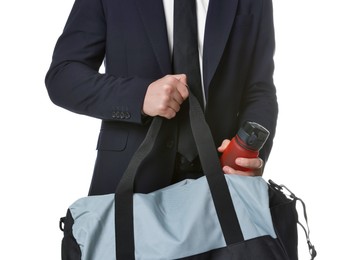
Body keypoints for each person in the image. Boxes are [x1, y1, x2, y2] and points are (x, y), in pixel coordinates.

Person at [45, 0, 278, 196]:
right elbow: (62, 77)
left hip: (224, 180)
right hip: (130, 182)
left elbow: (259, 88)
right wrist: (139, 96)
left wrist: (249, 155)